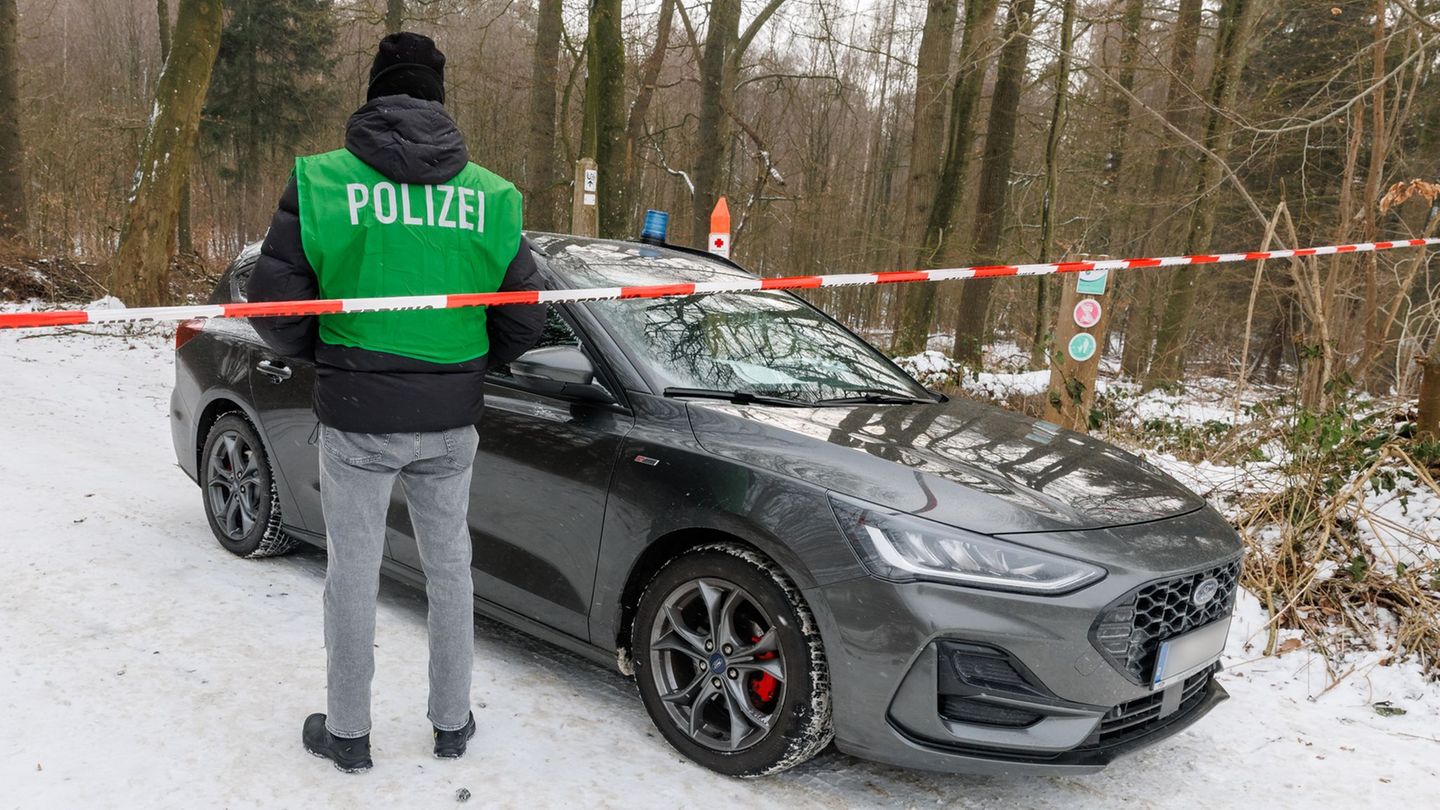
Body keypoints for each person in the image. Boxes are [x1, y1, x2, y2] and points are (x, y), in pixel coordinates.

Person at [246, 32, 545, 773]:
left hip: (357, 416)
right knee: (450, 571)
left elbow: (275, 310)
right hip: (450, 423)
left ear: (375, 91)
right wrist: (463, 368)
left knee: (353, 574)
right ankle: (452, 723)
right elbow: (525, 318)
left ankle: (348, 734)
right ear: (439, 97)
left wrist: (335, 356)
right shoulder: (493, 197)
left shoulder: (321, 181)